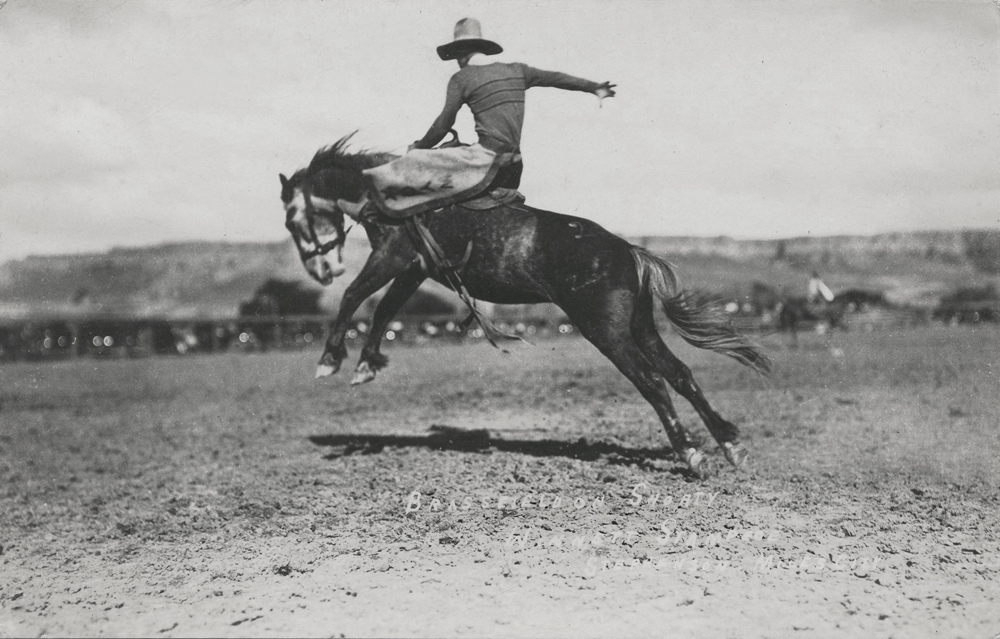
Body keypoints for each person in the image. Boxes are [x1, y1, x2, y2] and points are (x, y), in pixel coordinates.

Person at [410, 17, 616, 190]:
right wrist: (593, 87)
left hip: (485, 163)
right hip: (514, 164)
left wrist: (418, 148)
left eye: (456, 55)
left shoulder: (461, 78)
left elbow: (443, 126)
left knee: (422, 184)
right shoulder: (518, 70)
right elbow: (556, 78)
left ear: (461, 53)